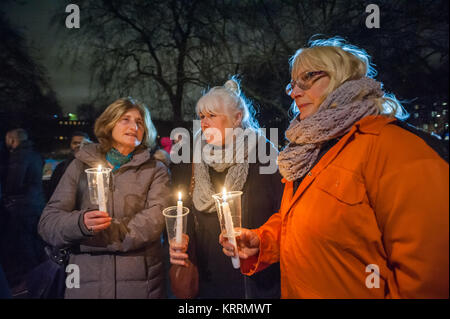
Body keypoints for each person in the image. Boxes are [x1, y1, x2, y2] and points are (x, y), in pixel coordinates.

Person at [220, 37, 449, 299]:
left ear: (342, 78)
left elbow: (429, 275)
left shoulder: (396, 149)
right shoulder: (307, 151)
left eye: (308, 77)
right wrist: (263, 241)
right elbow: (297, 222)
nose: (295, 92)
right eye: (293, 84)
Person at [38, 97, 170, 299]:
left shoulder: (155, 170)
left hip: (140, 285)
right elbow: (48, 223)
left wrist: (93, 237)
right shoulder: (80, 166)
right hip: (85, 284)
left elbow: (153, 223)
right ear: (109, 124)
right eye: (125, 119)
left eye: (139, 122)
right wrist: (80, 224)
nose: (134, 126)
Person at [169, 77, 282, 299]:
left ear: (237, 118)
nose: (204, 122)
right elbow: (181, 209)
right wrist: (179, 239)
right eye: (201, 116)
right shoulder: (190, 156)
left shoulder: (264, 154)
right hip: (207, 276)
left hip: (255, 277)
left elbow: (283, 212)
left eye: (212, 115)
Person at [0, 128, 46, 296]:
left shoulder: (19, 156)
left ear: (13, 140)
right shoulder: (34, 154)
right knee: (36, 244)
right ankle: (42, 278)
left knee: (25, 245)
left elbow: (14, 182)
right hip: (36, 204)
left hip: (22, 207)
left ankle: (31, 282)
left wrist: (6, 195)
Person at [47, 131, 91, 200]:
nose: (78, 146)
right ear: (70, 145)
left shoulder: (94, 165)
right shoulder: (62, 167)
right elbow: (53, 189)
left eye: (82, 143)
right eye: (75, 143)